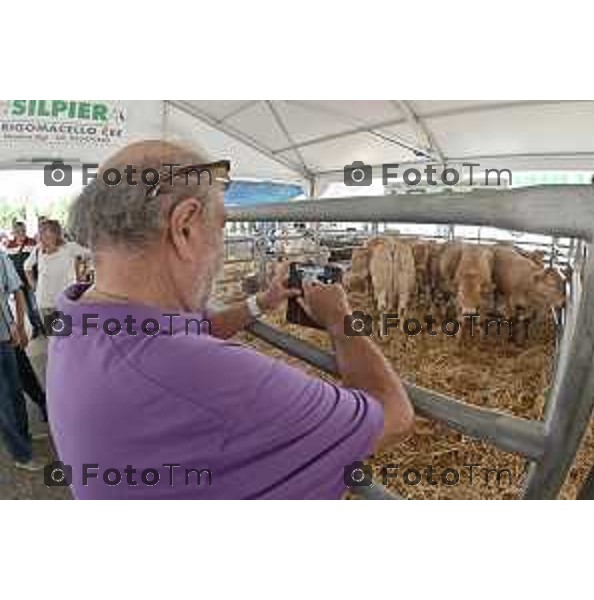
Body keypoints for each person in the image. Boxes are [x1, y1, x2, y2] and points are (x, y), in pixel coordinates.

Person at [47, 140, 414, 499]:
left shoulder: (77, 317)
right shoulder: (213, 375)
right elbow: (394, 416)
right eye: (220, 227)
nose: (221, 247)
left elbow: (197, 329)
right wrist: (340, 320)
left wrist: (263, 301)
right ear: (185, 227)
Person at [0, 249, 42, 471]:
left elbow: (16, 291)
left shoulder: (1, 257)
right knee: (3, 402)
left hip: (6, 336)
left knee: (16, 392)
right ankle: (21, 455)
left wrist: (17, 324)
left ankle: (24, 437)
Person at [24, 219, 89, 327]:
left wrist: (83, 273)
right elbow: (27, 267)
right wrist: (34, 285)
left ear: (56, 233)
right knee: (54, 338)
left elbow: (91, 255)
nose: (43, 235)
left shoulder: (69, 247)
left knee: (68, 337)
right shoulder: (38, 250)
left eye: (47, 231)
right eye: (41, 231)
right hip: (45, 303)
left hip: (66, 301)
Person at [6, 221, 44, 338]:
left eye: (23, 230)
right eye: (18, 231)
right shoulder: (10, 246)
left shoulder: (32, 243)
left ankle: (44, 327)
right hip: (19, 283)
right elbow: (9, 266)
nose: (21, 233)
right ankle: (35, 328)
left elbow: (39, 261)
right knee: (27, 308)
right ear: (14, 232)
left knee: (36, 305)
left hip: (32, 280)